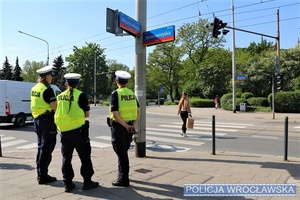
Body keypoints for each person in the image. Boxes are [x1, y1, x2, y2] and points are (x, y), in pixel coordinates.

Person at [54, 73, 99, 192]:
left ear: (66, 83)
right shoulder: (81, 95)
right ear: (77, 83)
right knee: (85, 156)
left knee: (66, 158)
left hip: (64, 132)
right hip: (78, 131)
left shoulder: (60, 96)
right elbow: (87, 114)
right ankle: (87, 182)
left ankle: (68, 183)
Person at [109, 70, 140, 187]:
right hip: (130, 126)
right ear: (127, 81)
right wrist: (133, 125)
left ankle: (123, 178)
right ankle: (122, 174)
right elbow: (138, 110)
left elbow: (115, 113)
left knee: (121, 153)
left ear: (117, 81)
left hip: (120, 127)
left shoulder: (116, 94)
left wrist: (126, 126)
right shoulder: (132, 93)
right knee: (123, 151)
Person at [30, 65, 58, 185]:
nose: (52, 77)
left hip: (37, 120)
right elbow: (55, 107)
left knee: (41, 147)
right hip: (47, 122)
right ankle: (43, 175)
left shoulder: (35, 88)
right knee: (47, 148)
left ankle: (40, 173)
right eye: (51, 75)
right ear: (46, 76)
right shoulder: (48, 89)